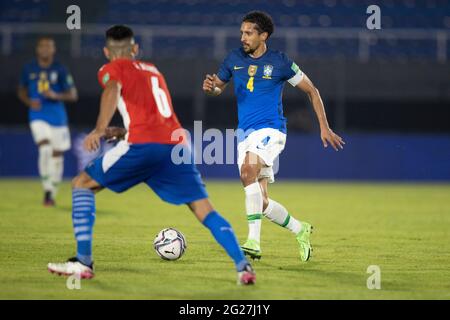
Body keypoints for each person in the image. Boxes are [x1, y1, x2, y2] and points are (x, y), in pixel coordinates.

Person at [47, 25, 255, 285]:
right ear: (135, 49)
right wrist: (122, 132)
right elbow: (155, 117)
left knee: (81, 185)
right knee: (204, 209)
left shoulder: (111, 68)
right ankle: (242, 266)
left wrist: (99, 129)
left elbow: (111, 90)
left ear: (106, 52)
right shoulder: (154, 71)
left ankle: (83, 262)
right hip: (176, 147)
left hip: (142, 146)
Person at [202, 11, 345, 261]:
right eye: (241, 32)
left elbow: (312, 91)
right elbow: (218, 88)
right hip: (245, 134)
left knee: (247, 172)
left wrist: (324, 126)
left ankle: (253, 242)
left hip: (271, 130)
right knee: (263, 202)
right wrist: (211, 87)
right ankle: (301, 229)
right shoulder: (233, 58)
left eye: (248, 33)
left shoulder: (280, 62)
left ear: (263, 35)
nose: (243, 37)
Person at [18, 36, 78, 206]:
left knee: (57, 156)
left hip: (58, 118)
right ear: (37, 49)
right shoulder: (29, 68)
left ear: (53, 50)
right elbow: (21, 90)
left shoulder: (60, 69)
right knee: (44, 148)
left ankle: (52, 192)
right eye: (42, 46)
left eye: (49, 46)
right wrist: (29, 102)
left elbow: (73, 95)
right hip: (37, 115)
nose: (45, 49)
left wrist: (55, 95)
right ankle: (46, 189)